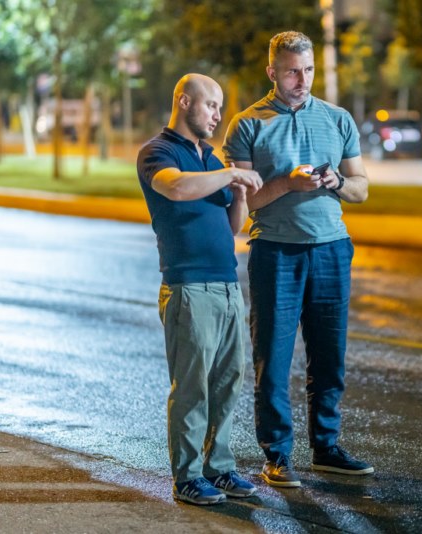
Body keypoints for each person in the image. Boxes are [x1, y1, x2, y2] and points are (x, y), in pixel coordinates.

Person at [223, 31, 373, 488]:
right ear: (272, 72)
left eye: (308, 70)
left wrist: (335, 182)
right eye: (292, 71)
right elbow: (244, 204)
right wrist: (288, 183)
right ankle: (277, 455)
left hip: (331, 248)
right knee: (273, 357)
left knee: (329, 357)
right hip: (276, 251)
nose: (301, 80)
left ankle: (326, 448)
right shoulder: (248, 125)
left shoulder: (337, 118)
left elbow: (361, 188)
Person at [136, 73, 263, 505]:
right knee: (193, 387)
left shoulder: (209, 158)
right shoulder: (158, 152)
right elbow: (176, 187)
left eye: (220, 107)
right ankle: (187, 477)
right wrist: (231, 174)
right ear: (184, 101)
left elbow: (231, 228)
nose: (217, 115)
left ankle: (219, 468)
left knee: (228, 382)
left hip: (227, 285)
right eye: (211, 105)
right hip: (188, 287)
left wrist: (239, 194)